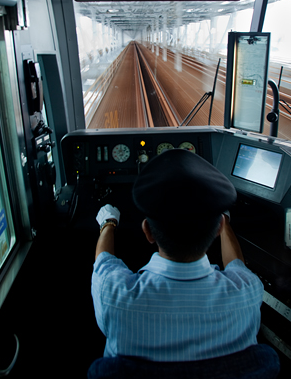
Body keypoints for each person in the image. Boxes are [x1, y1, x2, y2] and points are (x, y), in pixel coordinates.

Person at [92, 148, 263, 362]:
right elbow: (236, 265)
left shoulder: (114, 295)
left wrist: (108, 222)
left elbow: (104, 262)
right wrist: (224, 222)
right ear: (217, 229)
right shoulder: (248, 291)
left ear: (148, 232)